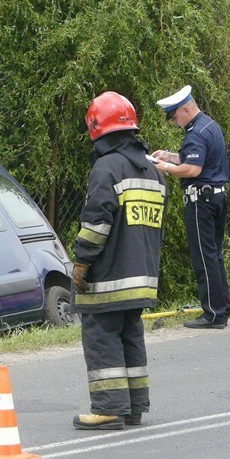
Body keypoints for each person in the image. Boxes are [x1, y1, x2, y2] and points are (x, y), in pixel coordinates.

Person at [71, 92, 167, 430]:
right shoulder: (154, 172)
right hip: (142, 275)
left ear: (97, 129)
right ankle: (134, 406)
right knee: (130, 334)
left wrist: (81, 263)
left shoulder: (106, 168)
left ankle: (109, 409)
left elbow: (97, 223)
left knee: (101, 334)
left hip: (109, 277)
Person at [152, 85, 230, 329]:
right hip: (217, 198)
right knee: (215, 256)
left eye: (175, 116)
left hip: (201, 202)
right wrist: (169, 155)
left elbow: (193, 169)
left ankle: (212, 315)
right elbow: (195, 159)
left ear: (186, 109)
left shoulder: (195, 132)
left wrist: (164, 168)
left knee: (204, 257)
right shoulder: (209, 125)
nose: (175, 121)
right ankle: (222, 309)